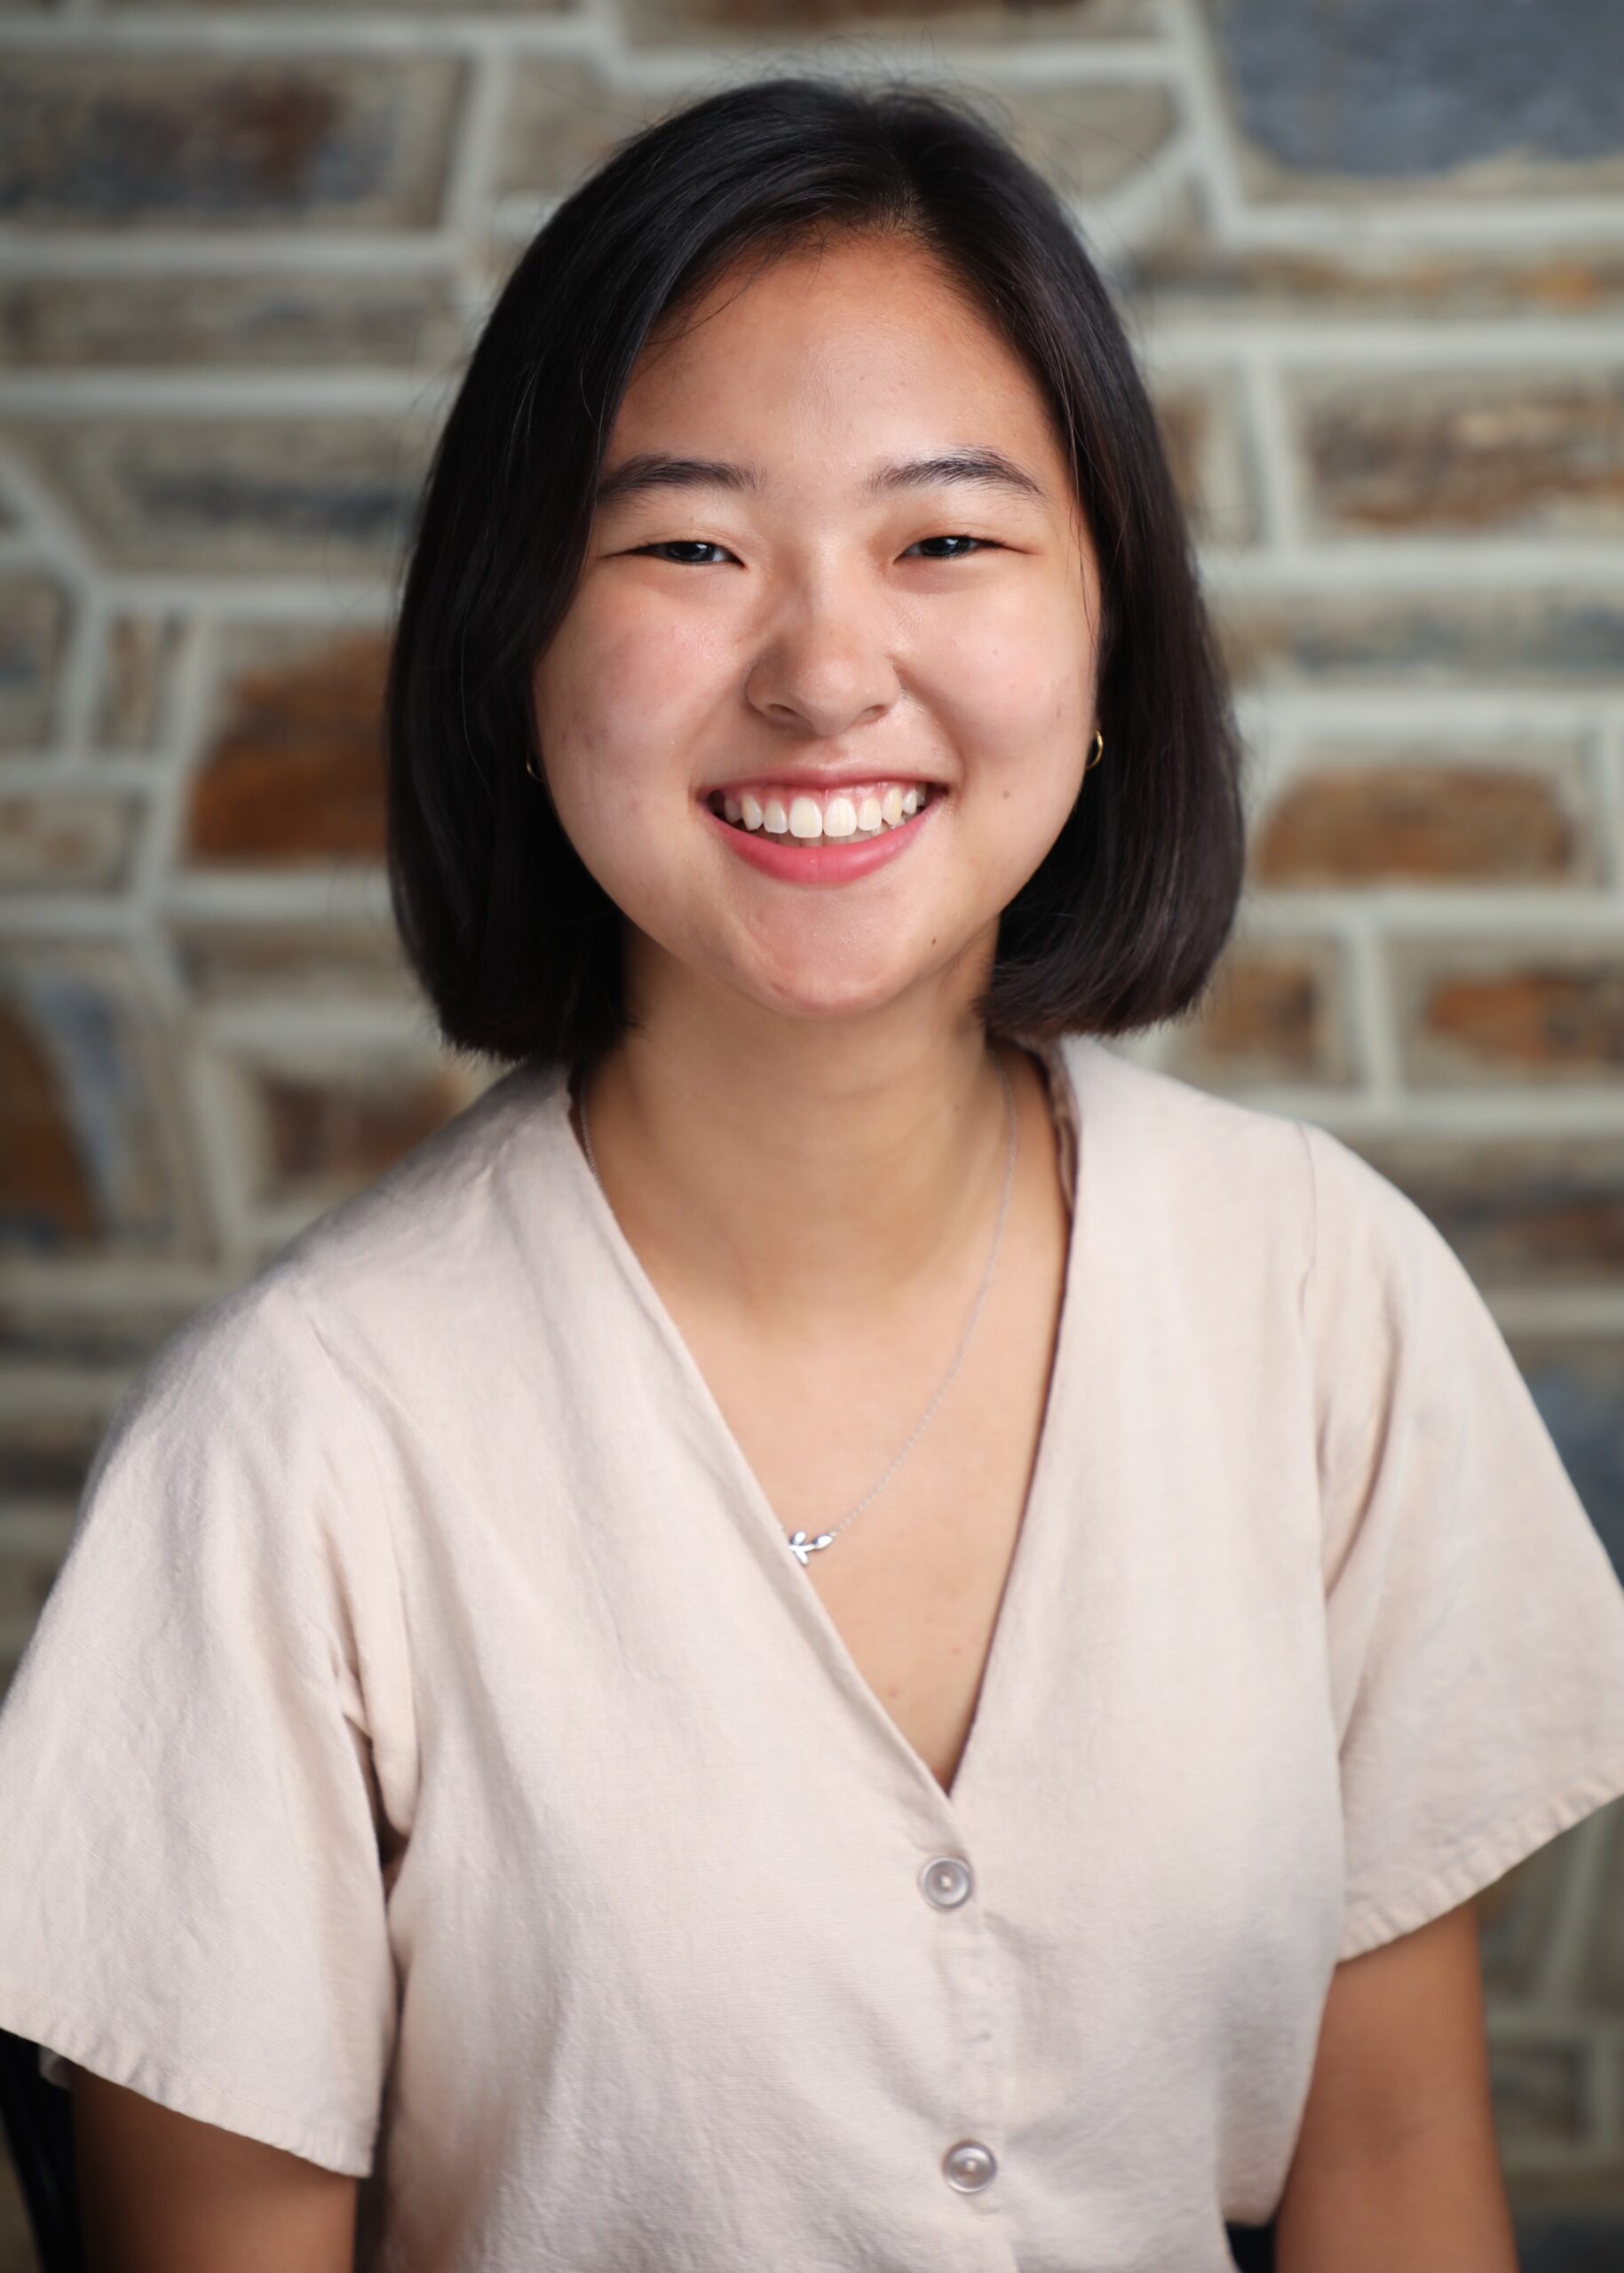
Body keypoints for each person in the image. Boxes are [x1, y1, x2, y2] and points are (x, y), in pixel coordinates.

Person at [2, 73, 1623, 2273]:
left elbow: (1399, 2175)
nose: (827, 670)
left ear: (1114, 634)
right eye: (689, 545)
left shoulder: (1318, 1293)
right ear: (521, 652)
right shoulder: (294, 1449)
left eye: (946, 539)